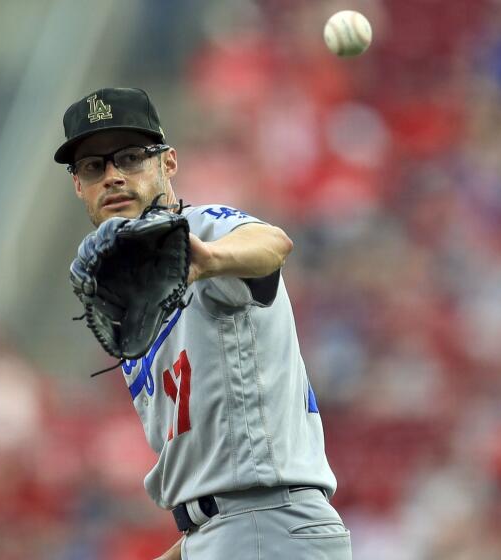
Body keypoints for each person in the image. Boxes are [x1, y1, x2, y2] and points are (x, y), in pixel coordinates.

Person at [55, 87, 352, 560]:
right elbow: (217, 505)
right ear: (78, 185)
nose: (112, 176)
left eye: (130, 158)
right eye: (94, 167)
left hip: (266, 523)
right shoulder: (129, 296)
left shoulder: (201, 230)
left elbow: (272, 243)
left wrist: (207, 261)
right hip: (236, 531)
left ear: (168, 164)